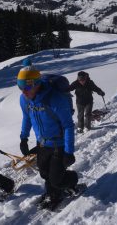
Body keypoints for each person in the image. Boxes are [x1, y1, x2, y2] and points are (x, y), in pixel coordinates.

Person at [17, 65, 79, 209]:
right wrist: (23, 138)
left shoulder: (55, 99)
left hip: (59, 144)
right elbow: (27, 117)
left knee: (56, 179)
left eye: (26, 87)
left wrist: (69, 152)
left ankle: (73, 179)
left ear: (36, 84)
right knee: (45, 174)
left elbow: (68, 126)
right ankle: (54, 194)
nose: (23, 91)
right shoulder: (25, 99)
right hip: (42, 144)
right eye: (20, 86)